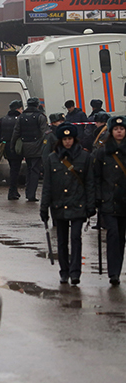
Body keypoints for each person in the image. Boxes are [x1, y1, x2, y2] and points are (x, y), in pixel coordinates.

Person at [40, 123, 95, 285]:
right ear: (60, 140)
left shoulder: (85, 158)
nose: (68, 142)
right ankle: (64, 271)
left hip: (78, 204)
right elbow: (47, 186)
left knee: (76, 238)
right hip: (59, 205)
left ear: (74, 139)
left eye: (70, 138)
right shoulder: (52, 159)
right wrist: (44, 207)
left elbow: (90, 183)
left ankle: (75, 272)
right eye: (64, 139)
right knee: (62, 240)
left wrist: (91, 206)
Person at [93, 115, 126, 286]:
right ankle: (113, 273)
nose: (119, 131)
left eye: (122, 129)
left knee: (121, 237)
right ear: (111, 132)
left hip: (124, 201)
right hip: (109, 200)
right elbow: (96, 177)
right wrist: (97, 198)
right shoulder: (102, 152)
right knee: (112, 235)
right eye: (116, 129)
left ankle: (117, 269)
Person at [11, 97, 50, 202]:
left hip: (25, 147)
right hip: (37, 147)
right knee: (35, 171)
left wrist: (12, 145)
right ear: (37, 105)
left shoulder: (21, 117)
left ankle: (29, 192)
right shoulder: (40, 117)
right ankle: (31, 194)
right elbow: (44, 132)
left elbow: (16, 132)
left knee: (29, 169)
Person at [0, 99, 24, 200]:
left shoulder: (3, 119)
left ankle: (14, 191)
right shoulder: (20, 119)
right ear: (18, 109)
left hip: (6, 147)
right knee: (15, 170)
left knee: (13, 168)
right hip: (17, 147)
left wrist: (1, 144)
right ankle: (12, 191)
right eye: (21, 108)